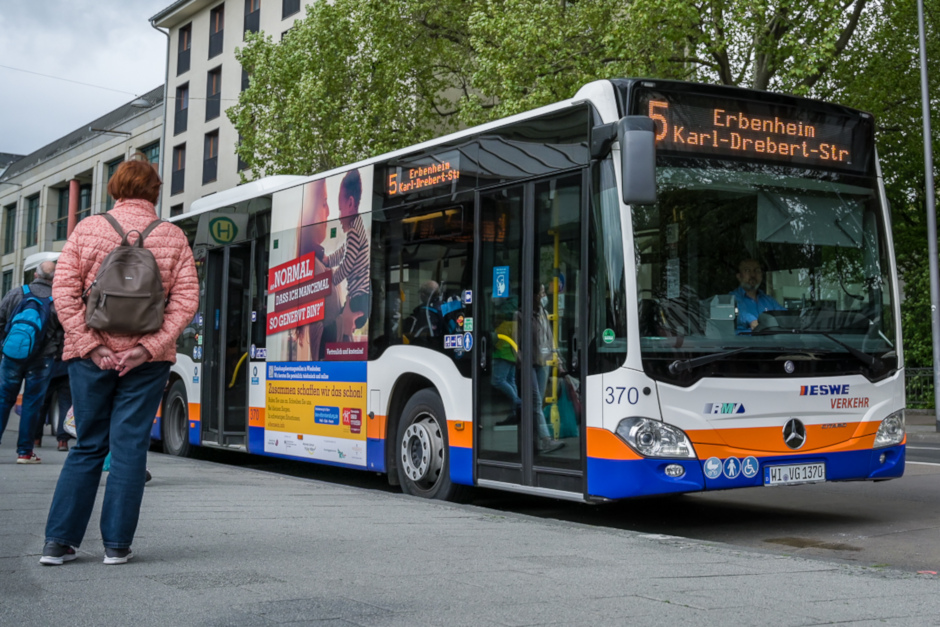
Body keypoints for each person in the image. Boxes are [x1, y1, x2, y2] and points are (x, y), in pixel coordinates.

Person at [40, 157, 198, 566]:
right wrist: (148, 347)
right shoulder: (172, 236)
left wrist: (92, 345)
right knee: (129, 449)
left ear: (115, 189)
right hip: (147, 361)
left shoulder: (87, 229)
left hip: (90, 357)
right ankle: (116, 546)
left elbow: (63, 292)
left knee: (88, 445)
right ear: (155, 191)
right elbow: (185, 301)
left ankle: (59, 543)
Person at [0, 260, 62, 464]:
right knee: (31, 403)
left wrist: (5, 346)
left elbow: (1, 320)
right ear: (55, 279)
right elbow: (63, 333)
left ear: (35, 275)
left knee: (3, 400)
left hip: (12, 356)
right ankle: (25, 453)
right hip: (42, 360)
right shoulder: (57, 301)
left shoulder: (17, 293)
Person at [290, 179, 341, 361]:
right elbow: (318, 328)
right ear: (311, 215)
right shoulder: (313, 267)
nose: (328, 212)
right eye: (324, 204)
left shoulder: (317, 262)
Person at [324, 170, 370, 336]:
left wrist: (331, 281)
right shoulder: (358, 228)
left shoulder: (353, 233)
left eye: (340, 210)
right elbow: (344, 252)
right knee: (338, 326)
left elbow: (347, 265)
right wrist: (328, 260)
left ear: (350, 204)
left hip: (358, 300)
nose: (339, 216)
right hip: (361, 299)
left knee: (335, 329)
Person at [530, 284, 563, 454]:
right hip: (530, 364)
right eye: (542, 292)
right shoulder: (522, 314)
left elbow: (549, 336)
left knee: (538, 402)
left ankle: (536, 440)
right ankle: (546, 440)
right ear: (534, 295)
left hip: (543, 362)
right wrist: (522, 361)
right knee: (535, 402)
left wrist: (556, 356)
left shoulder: (542, 312)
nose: (544, 295)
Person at [730, 258, 783, 334]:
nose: (753, 275)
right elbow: (733, 313)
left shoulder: (769, 301)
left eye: (757, 270)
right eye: (747, 270)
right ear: (739, 276)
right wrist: (750, 320)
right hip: (743, 345)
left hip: (773, 344)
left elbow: (784, 316)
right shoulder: (731, 299)